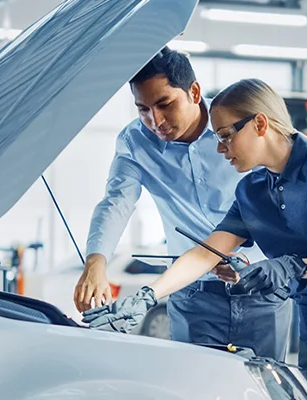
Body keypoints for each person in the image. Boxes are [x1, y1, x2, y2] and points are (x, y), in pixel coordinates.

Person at [84, 78, 307, 400]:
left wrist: (291, 267)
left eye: (225, 137)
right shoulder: (252, 191)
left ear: (260, 123)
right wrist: (148, 296)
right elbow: (206, 253)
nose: (220, 149)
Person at [73, 47, 293, 360]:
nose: (155, 120)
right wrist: (96, 261)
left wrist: (258, 263)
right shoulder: (135, 142)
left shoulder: (239, 131)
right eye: (143, 109)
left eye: (165, 104)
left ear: (194, 91)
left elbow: (281, 203)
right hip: (193, 296)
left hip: (262, 288)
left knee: (265, 388)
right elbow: (116, 202)